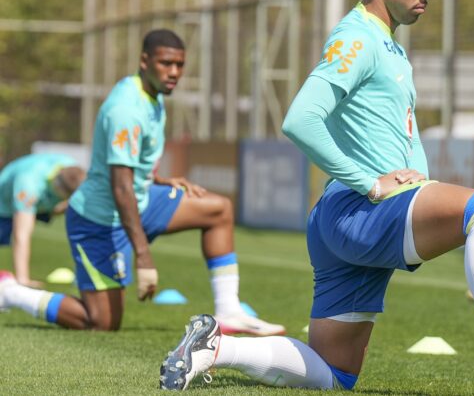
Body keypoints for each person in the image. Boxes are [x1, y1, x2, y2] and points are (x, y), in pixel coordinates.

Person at [159, 0, 474, 395]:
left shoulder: (387, 41)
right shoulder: (358, 38)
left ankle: (215, 348)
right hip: (360, 212)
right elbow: (301, 120)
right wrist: (369, 182)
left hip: (344, 218)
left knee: (334, 374)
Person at [0, 29, 284, 336]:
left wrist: (158, 179)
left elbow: (129, 169)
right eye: (166, 64)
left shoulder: (151, 94)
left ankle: (229, 310)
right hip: (99, 221)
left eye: (179, 64)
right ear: (145, 61)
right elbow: (120, 187)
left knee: (217, 210)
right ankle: (12, 293)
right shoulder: (126, 109)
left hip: (140, 200)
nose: (174, 72)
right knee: (102, 323)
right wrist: (144, 256)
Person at [0, 153, 85, 287]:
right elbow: (21, 235)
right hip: (5, 206)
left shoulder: (72, 167)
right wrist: (23, 279)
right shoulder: (28, 183)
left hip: (44, 201)